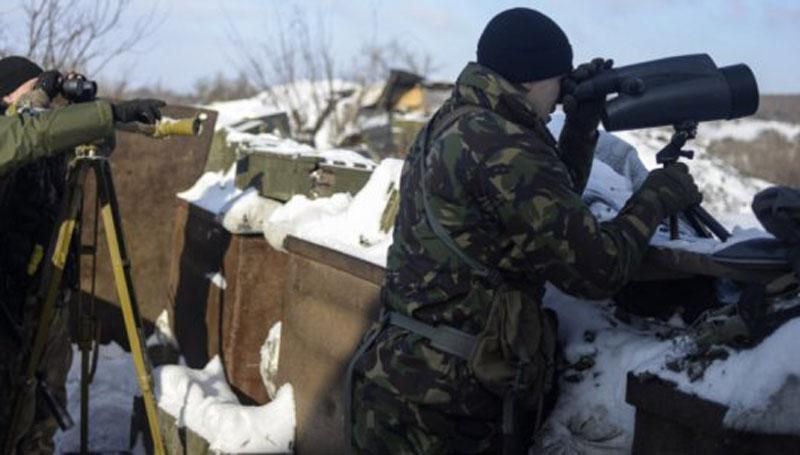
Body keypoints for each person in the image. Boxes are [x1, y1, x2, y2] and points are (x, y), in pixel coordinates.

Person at [349, 8, 703, 454]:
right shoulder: (503, 145)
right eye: (559, 81)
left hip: (401, 379)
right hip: (445, 406)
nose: (560, 96)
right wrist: (656, 196)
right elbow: (597, 269)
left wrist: (580, 125)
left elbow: (542, 214)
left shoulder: (460, 120)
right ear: (533, 78)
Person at [0, 55, 164, 454]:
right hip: (9, 300)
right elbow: (25, 135)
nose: (44, 95)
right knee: (10, 409)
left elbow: (97, 145)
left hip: (50, 292)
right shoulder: (15, 134)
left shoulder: (43, 132)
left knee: (44, 407)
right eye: (33, 87)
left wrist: (87, 111)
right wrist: (44, 101)